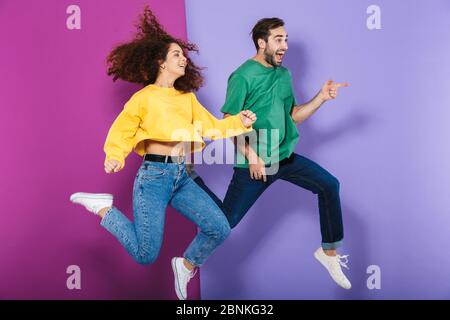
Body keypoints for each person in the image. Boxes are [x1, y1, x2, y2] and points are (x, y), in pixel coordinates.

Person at [69, 7, 256, 300]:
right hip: (153, 177)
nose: (183, 59)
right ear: (161, 62)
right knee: (145, 254)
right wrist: (115, 155)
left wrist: (239, 122)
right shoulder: (143, 98)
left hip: (181, 176)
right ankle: (104, 208)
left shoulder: (186, 98)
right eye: (176, 55)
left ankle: (185, 264)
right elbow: (123, 130)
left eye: (184, 55)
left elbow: (212, 127)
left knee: (219, 228)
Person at [192, 17, 351, 289]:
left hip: (284, 157)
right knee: (225, 222)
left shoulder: (284, 75)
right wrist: (251, 156)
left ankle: (328, 253)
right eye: (279, 39)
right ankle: (193, 181)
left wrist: (321, 98)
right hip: (255, 163)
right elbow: (229, 120)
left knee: (329, 185)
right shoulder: (242, 75)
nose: (285, 45)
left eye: (286, 39)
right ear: (261, 42)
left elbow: (292, 116)